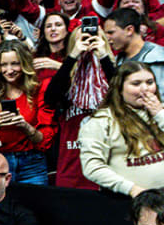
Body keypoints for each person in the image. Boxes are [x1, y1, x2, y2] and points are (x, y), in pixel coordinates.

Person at [78, 62, 164, 196]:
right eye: (136, 84)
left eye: (150, 82)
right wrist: (133, 190)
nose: (145, 89)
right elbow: (92, 167)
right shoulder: (102, 121)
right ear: (119, 89)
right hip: (129, 200)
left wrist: (159, 114)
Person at [0, 41, 55, 185]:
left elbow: (45, 141)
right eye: (4, 65)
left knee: (35, 200)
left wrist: (25, 126)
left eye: (15, 64)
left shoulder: (38, 89)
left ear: (24, 64)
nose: (9, 70)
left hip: (32, 163)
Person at [42, 27, 115, 189]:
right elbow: (50, 99)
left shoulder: (114, 75)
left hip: (107, 168)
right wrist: (73, 56)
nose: (88, 43)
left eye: (94, 38)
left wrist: (103, 56)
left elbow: (121, 93)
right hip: (72, 167)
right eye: (82, 39)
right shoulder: (66, 79)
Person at [103, 8, 164, 101]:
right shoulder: (119, 59)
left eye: (111, 32)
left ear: (129, 30)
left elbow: (163, 100)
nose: (107, 37)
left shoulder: (157, 57)